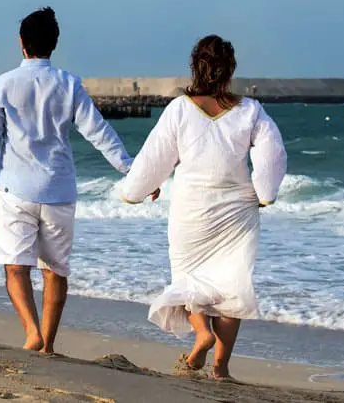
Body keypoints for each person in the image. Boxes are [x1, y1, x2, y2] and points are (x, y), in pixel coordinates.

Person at [0, 7, 146, 354]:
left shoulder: (3, 84)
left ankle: (31, 332)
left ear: (21, 43)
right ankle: (47, 344)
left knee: (16, 267)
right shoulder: (69, 84)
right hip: (59, 191)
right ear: (54, 44)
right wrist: (130, 169)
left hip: (15, 190)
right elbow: (98, 131)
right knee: (55, 272)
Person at [119, 35, 287, 381]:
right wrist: (265, 192)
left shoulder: (180, 108)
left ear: (195, 66)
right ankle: (221, 367)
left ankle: (202, 333)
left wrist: (138, 188)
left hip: (192, 208)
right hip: (237, 209)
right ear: (230, 70)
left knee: (188, 276)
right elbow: (272, 152)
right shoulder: (250, 110)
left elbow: (156, 156)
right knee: (232, 285)